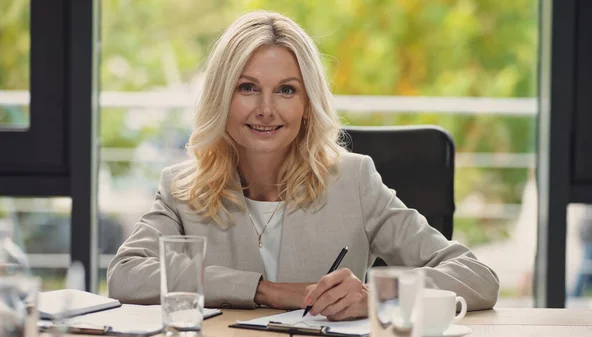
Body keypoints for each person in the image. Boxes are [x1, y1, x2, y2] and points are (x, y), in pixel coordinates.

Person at [107, 10, 499, 320]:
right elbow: (125, 273)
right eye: (247, 88)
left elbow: (477, 278)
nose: (265, 109)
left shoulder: (354, 181)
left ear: (307, 104)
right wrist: (264, 289)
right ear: (221, 97)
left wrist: (376, 296)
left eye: (286, 90)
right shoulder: (182, 188)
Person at [572, 205, 592, 297]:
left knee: (586, 266)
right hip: (591, 238)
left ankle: (575, 294)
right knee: (586, 266)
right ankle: (575, 294)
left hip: (591, 237)